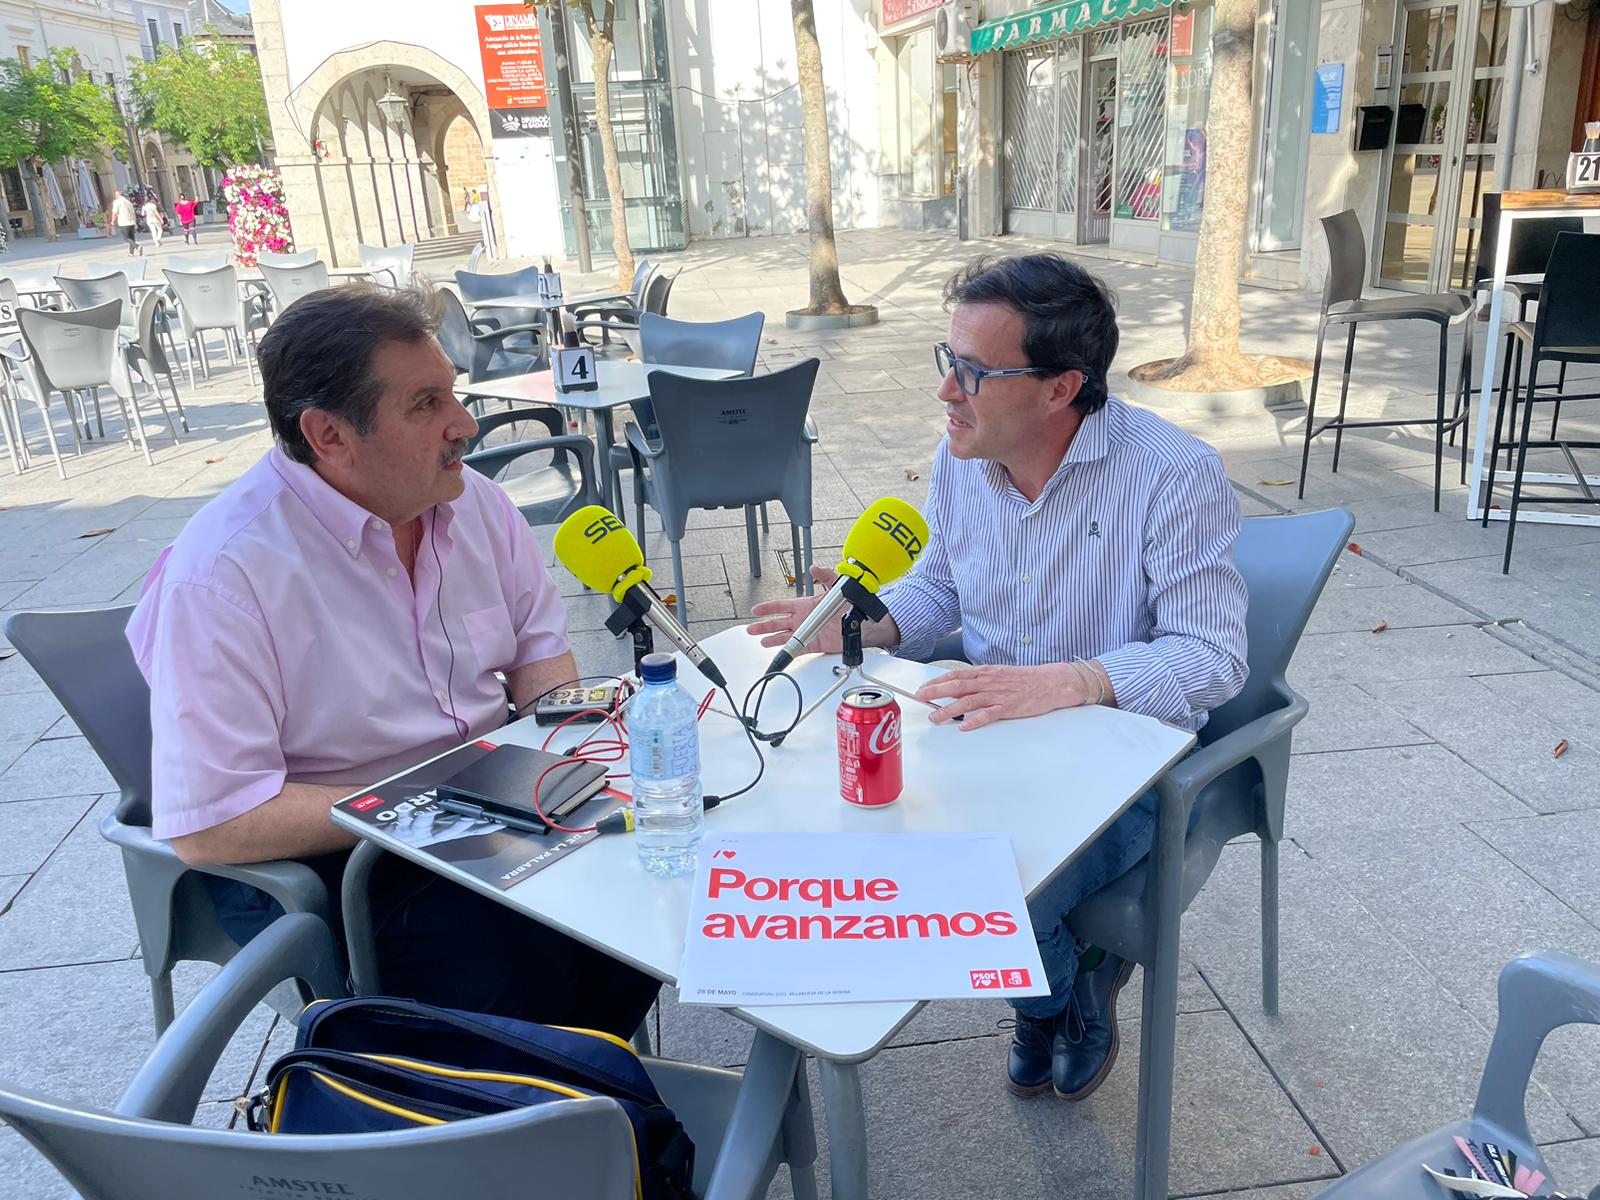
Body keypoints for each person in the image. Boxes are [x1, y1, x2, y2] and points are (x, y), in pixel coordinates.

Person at [748, 253, 1248, 1101]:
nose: (948, 392)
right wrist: (863, 621)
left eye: (975, 373)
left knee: (1000, 890)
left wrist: (1071, 680)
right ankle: (1055, 983)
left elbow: (1214, 657)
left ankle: (1067, 993)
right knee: (870, 834)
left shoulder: (1174, 474)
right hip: (988, 729)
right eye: (949, 362)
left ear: (1061, 388)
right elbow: (942, 583)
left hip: (1124, 763)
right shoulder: (962, 457)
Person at [126, 286, 661, 1036]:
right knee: (515, 976)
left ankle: (586, 1107)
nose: (465, 425)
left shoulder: (475, 505)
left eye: (453, 392)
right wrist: (439, 800)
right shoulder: (225, 574)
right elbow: (217, 820)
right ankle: (527, 1116)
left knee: (650, 897)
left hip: (484, 799)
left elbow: (539, 653)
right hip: (330, 852)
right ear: (329, 435)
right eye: (425, 405)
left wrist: (571, 747)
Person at [110, 189, 138, 256]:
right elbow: (133, 213)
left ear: (118, 195)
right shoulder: (128, 202)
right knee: (132, 238)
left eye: (116, 195)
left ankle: (137, 246)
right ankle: (131, 253)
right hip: (131, 222)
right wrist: (135, 222)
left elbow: (114, 212)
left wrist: (112, 221)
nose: (115, 196)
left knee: (126, 238)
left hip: (123, 222)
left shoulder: (117, 202)